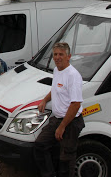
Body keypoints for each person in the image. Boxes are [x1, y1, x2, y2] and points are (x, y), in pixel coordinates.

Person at [34, 42, 85, 177]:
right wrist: (45, 100)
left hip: (70, 122)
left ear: (68, 56)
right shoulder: (57, 70)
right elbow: (55, 89)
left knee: (66, 161)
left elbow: (75, 104)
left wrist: (62, 126)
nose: (57, 57)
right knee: (40, 145)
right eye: (55, 54)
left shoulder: (73, 76)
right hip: (57, 119)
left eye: (61, 54)